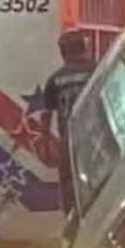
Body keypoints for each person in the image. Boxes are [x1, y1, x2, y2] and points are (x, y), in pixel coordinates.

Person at [43, 31, 96, 218]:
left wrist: (45, 142)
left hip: (69, 140)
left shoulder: (55, 79)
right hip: (96, 137)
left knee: (68, 181)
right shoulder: (97, 71)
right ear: (84, 48)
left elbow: (46, 114)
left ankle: (71, 219)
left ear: (63, 52)